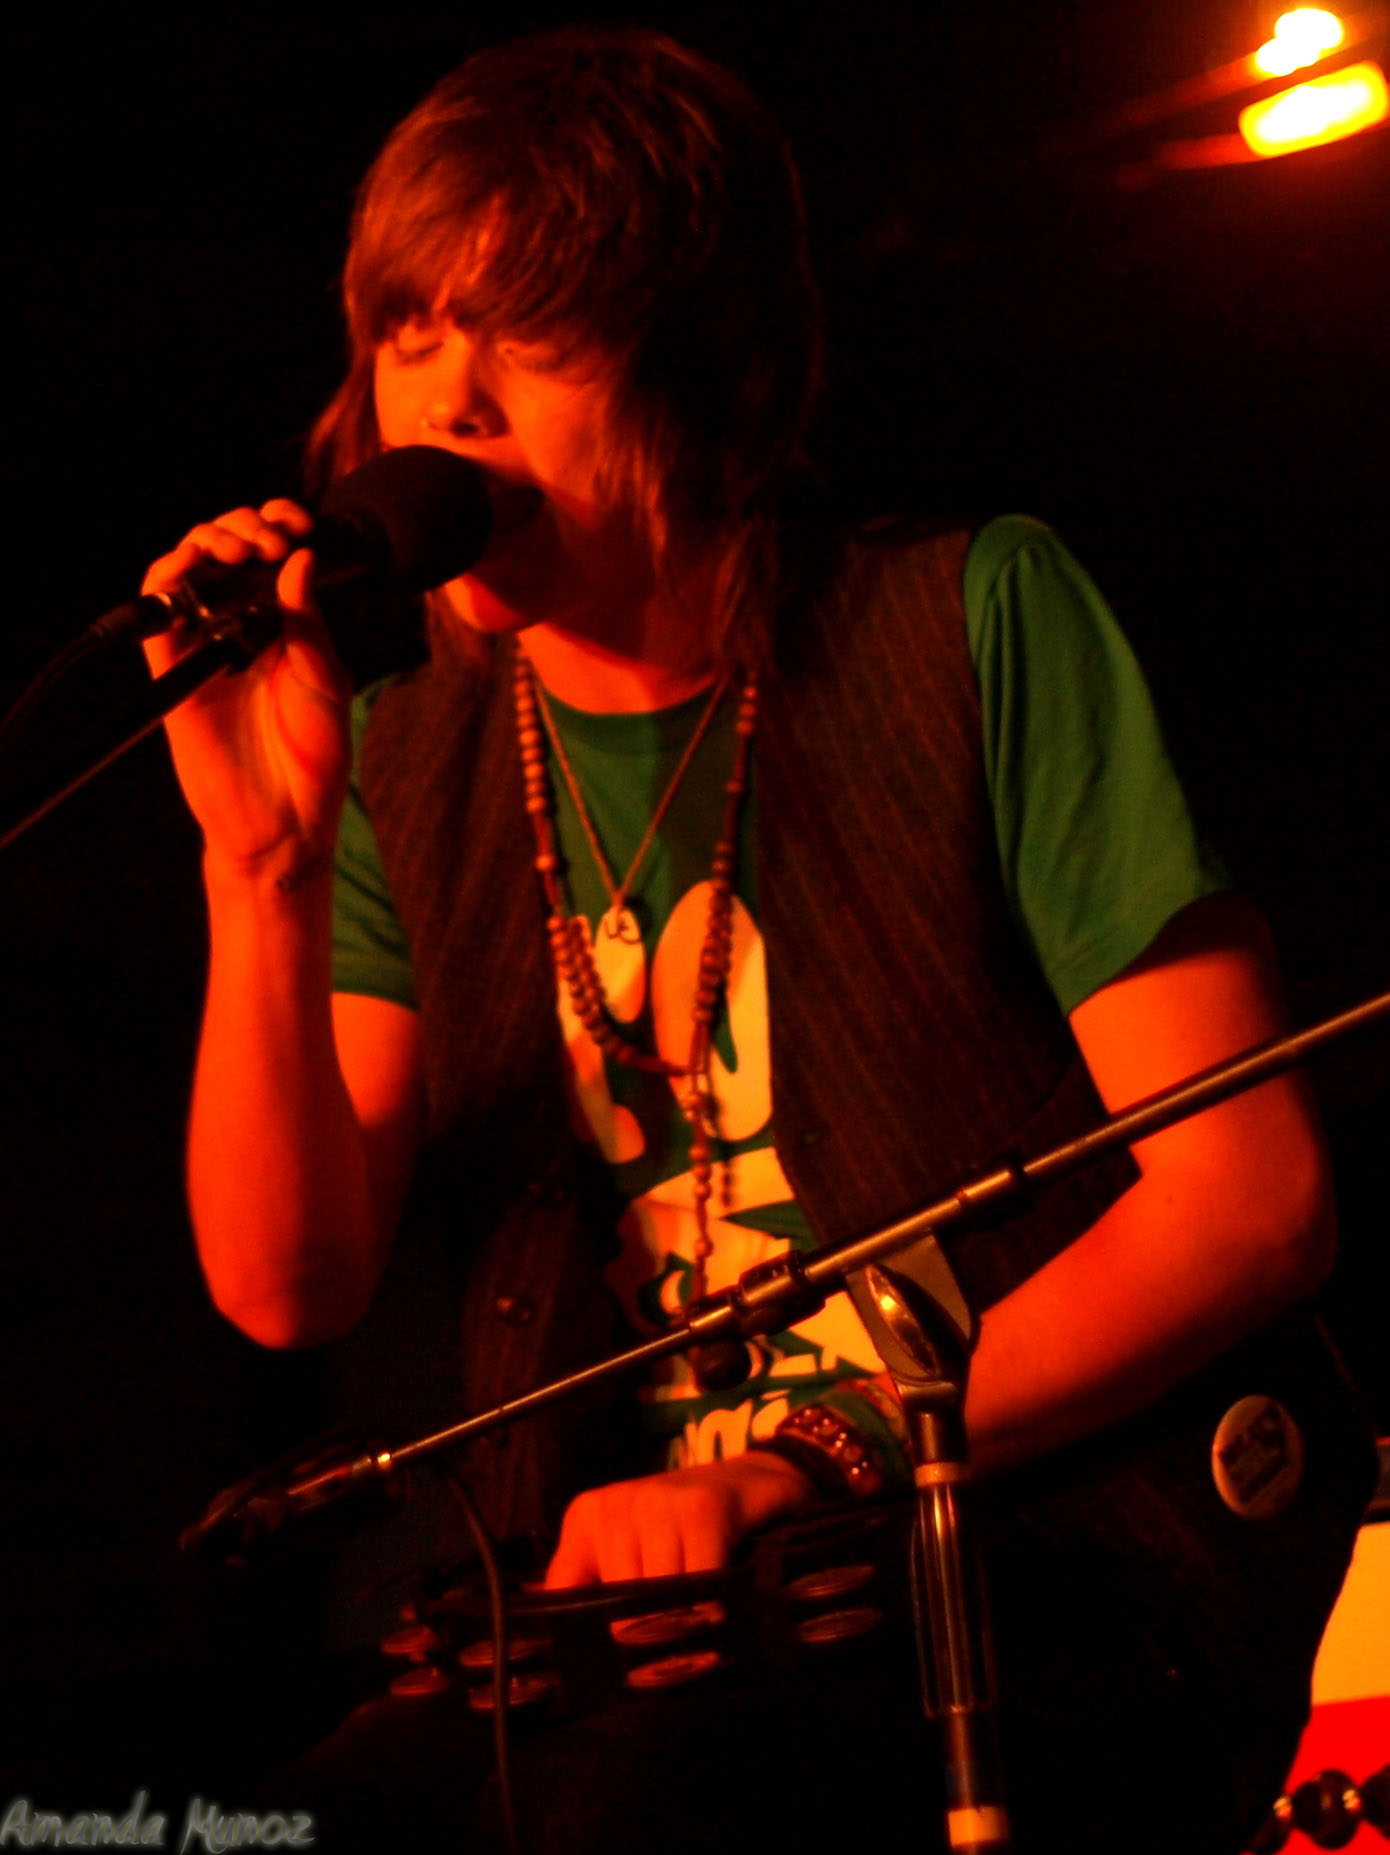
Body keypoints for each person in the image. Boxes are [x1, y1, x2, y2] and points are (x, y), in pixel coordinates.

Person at [141, 25, 1372, 1854]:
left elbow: (1248, 1190)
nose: (451, 412)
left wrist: (816, 1459)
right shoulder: (414, 755)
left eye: (530, 334)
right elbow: (284, 1284)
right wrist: (261, 862)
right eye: (417, 334)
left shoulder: (963, 619)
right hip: (635, 1643)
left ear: (702, 362)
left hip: (1036, 1568)